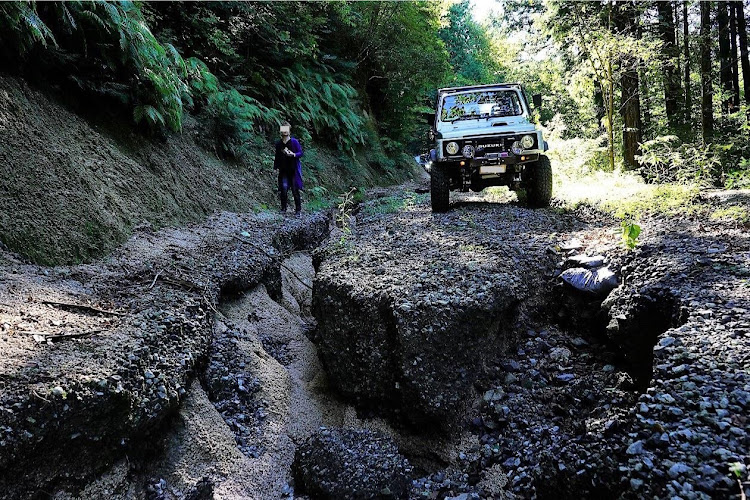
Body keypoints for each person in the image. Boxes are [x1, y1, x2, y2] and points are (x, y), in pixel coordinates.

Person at [274, 122, 304, 216]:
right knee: (283, 189)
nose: (285, 131)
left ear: (289, 131)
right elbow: (277, 156)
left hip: (293, 169)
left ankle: (298, 210)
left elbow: (300, 153)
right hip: (283, 170)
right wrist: (275, 167)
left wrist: (293, 155)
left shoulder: (294, 142)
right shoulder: (279, 144)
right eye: (283, 129)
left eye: (286, 129)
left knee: (295, 190)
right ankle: (283, 208)